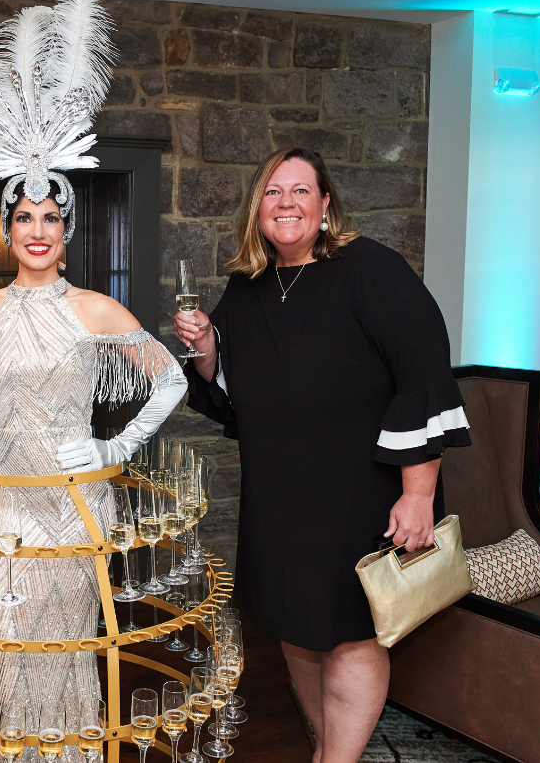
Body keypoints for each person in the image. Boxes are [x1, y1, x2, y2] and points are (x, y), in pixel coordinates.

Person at [0, 0, 186, 760]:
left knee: (68, 642)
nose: (37, 230)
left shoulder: (100, 310)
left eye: (51, 217)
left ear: (67, 230)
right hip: (2, 497)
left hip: (75, 500)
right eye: (23, 217)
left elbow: (169, 381)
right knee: (7, 645)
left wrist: (114, 450)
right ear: (6, 232)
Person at [174, 147, 471, 763]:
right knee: (297, 631)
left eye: (301, 191)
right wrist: (205, 346)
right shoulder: (249, 285)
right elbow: (229, 386)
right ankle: (327, 749)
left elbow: (423, 376)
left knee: (354, 633)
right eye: (274, 192)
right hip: (281, 497)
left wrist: (418, 495)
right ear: (257, 209)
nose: (287, 203)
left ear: (326, 203)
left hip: (362, 495)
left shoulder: (372, 271)